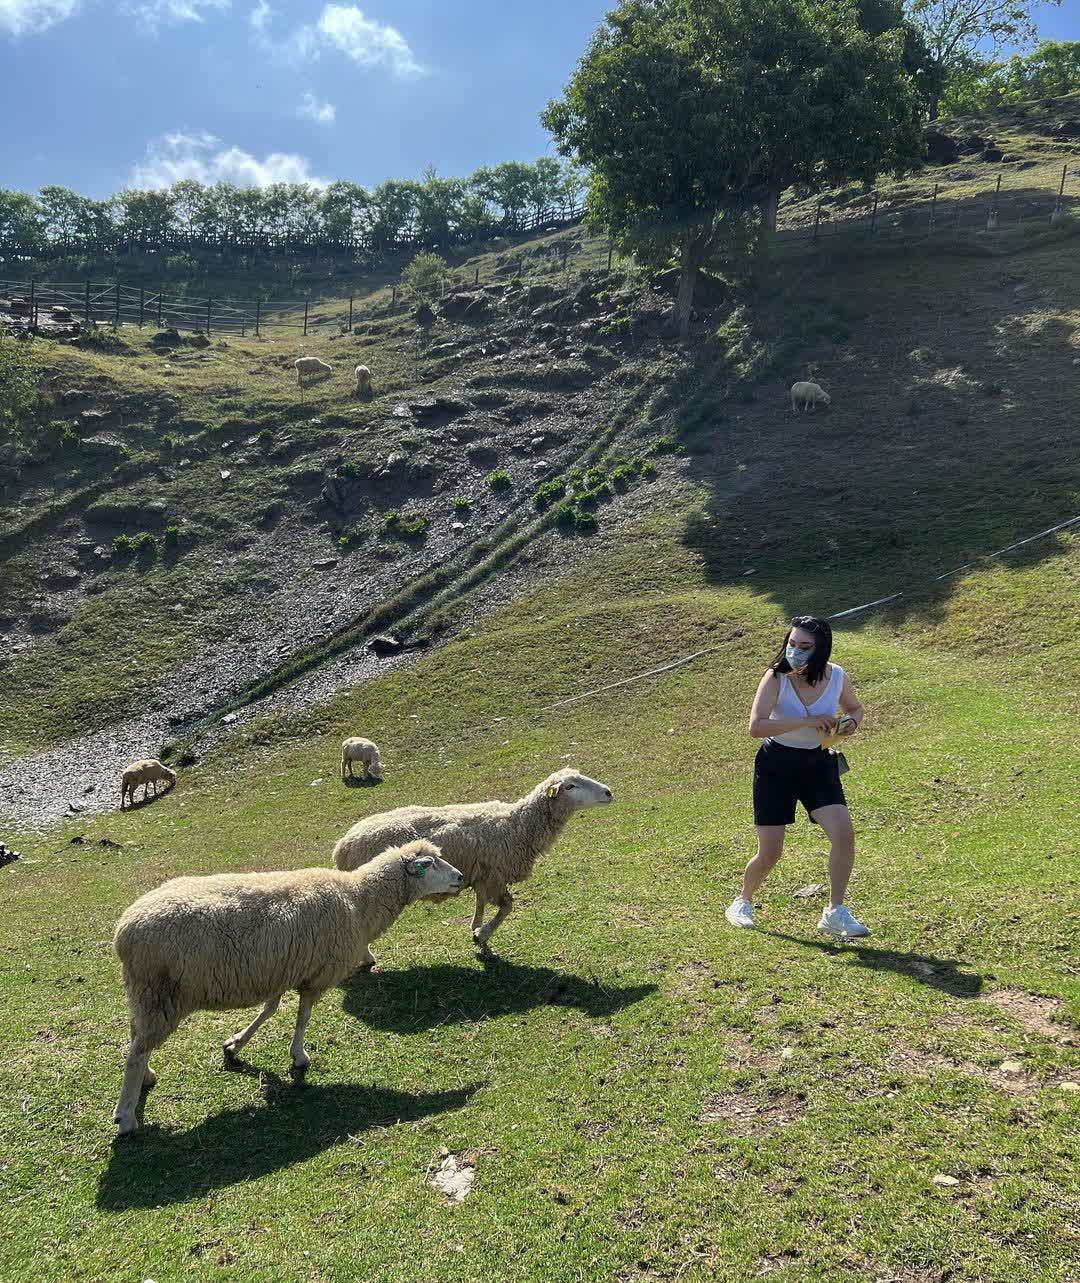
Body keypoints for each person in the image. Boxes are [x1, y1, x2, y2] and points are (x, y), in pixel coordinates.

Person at [725, 615, 869, 938]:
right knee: (771, 852)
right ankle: (742, 901)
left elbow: (855, 708)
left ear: (821, 651)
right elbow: (756, 727)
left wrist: (849, 725)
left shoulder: (837, 677)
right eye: (792, 643)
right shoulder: (776, 678)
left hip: (818, 764)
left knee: (844, 835)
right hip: (776, 765)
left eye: (805, 646)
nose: (795, 651)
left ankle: (835, 912)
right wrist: (807, 722)